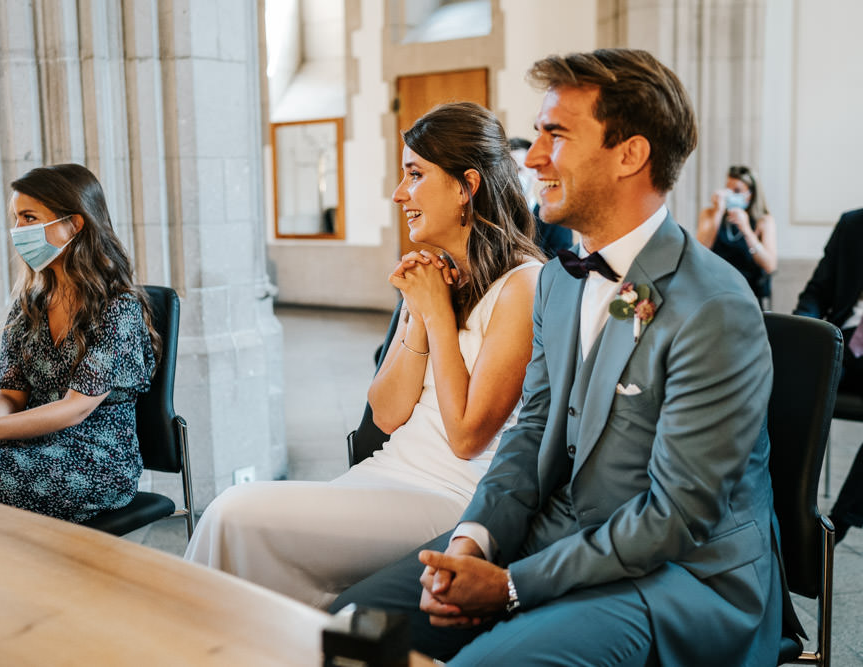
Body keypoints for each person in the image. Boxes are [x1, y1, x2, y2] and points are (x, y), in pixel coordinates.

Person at [333, 48, 791, 666]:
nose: (534, 157)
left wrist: (514, 585)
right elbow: (529, 432)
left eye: (557, 134)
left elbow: (675, 515)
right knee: (352, 629)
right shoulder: (560, 281)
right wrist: (475, 539)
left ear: (630, 155)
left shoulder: (712, 306)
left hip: (676, 580)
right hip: (553, 536)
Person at [183, 102, 545, 609]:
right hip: (389, 469)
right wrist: (419, 314)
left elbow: (466, 438)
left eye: (415, 174)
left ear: (467, 186)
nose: (400, 193)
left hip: (453, 497)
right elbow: (387, 412)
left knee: (233, 511)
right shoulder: (431, 275)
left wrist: (438, 315)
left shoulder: (522, 285)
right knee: (242, 523)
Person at [0, 163, 158, 523]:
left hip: (96, 461)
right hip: (36, 448)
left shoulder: (118, 309)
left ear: (74, 223)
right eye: (16, 219)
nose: (18, 230)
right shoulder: (30, 305)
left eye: (29, 217)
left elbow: (77, 408)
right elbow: (11, 394)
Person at [794, 207, 863, 544]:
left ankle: (833, 529)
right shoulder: (853, 224)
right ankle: (778, 511)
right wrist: (804, 331)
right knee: (778, 386)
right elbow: (816, 293)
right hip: (844, 344)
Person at [697, 164, 777, 309]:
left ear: (750, 195)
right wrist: (718, 213)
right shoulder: (709, 214)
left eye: (737, 191)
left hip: (749, 295)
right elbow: (699, 252)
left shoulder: (763, 221)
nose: (730, 194)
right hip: (714, 294)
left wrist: (746, 230)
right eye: (728, 189)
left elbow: (770, 265)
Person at [508, 136, 573, 258]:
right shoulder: (495, 222)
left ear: (535, 173)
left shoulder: (556, 224)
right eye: (508, 171)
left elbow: (562, 271)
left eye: (519, 170)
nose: (512, 178)